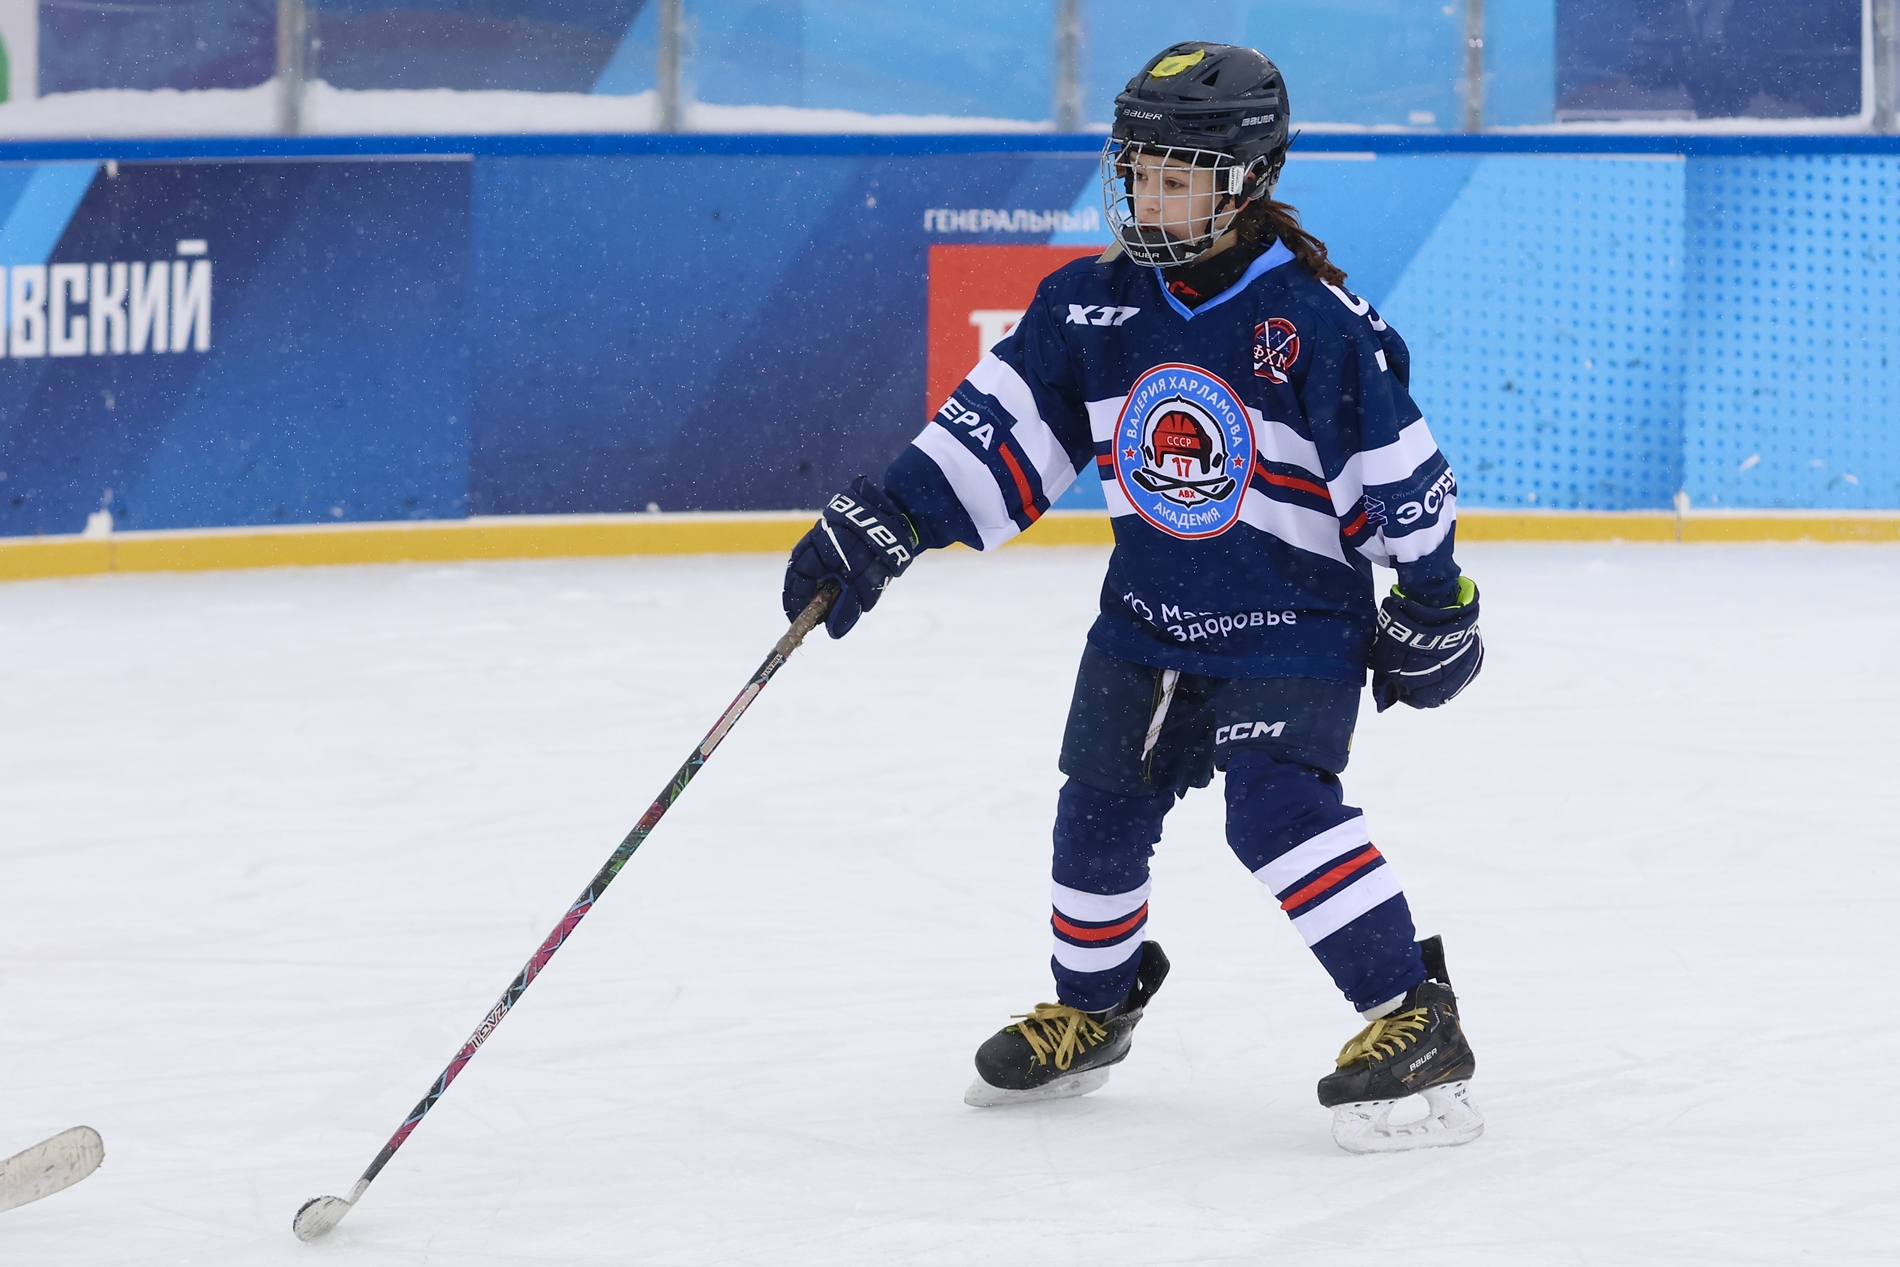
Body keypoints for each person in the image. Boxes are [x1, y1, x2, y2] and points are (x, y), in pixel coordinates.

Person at [781, 42, 1486, 1154]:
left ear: (1245, 179)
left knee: (1274, 810)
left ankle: (1411, 1012)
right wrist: (888, 518)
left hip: (1291, 622)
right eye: (1137, 171)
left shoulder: (1308, 318)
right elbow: (997, 432)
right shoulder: (1091, 306)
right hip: (1147, 613)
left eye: (1176, 176)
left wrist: (1437, 597)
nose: (1148, 197)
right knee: (1097, 812)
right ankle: (1094, 1004)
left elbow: (1396, 465)